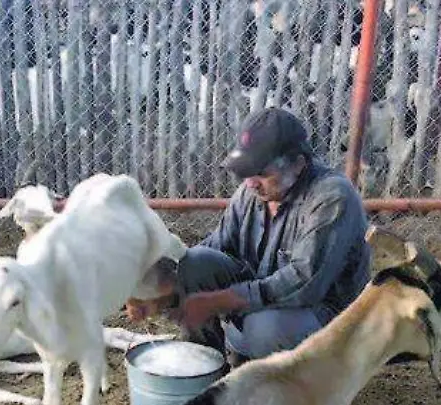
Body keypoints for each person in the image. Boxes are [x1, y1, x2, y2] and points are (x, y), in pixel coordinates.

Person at [127, 107, 372, 364]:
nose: (251, 182)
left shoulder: (331, 197)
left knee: (264, 326)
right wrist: (162, 291)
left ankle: (283, 382)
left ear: (298, 165)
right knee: (193, 263)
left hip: (326, 319)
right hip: (265, 304)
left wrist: (223, 300)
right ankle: (204, 369)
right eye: (246, 171)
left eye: (262, 172)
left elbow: (304, 283)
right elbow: (215, 249)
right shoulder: (252, 193)